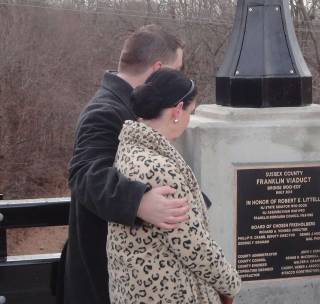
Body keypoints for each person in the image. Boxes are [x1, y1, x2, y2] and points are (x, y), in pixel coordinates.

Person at [63, 25, 192, 304]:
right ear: (158, 70)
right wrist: (138, 202)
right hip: (105, 282)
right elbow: (84, 173)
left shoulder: (135, 108)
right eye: (177, 69)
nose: (180, 78)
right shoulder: (104, 111)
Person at [107, 68, 241, 303]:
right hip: (169, 293)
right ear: (178, 110)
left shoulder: (130, 149)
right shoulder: (158, 169)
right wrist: (231, 284)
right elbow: (193, 246)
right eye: (191, 111)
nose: (190, 120)